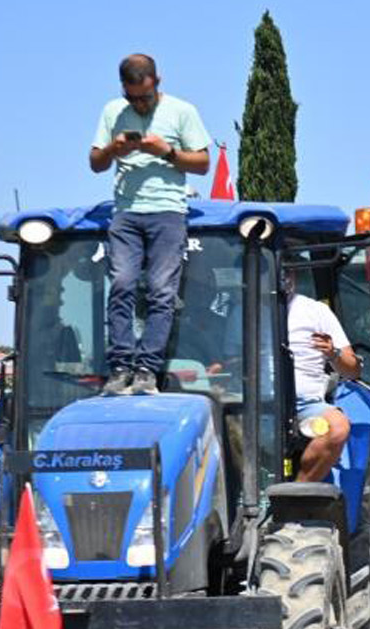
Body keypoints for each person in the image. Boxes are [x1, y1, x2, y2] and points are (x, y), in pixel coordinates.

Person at [90, 54, 212, 396]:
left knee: (161, 291)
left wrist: (167, 151)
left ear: (157, 82)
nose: (139, 105)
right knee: (122, 285)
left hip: (168, 212)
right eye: (132, 98)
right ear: (123, 92)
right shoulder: (112, 112)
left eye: (144, 97)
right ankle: (120, 367)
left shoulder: (183, 112)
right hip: (126, 212)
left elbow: (203, 163)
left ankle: (147, 369)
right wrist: (114, 148)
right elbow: (95, 163)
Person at [284, 272, 363, 482]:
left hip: (305, 405)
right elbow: (229, 360)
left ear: (293, 275)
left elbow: (353, 370)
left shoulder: (315, 310)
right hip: (252, 401)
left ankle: (298, 494)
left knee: (337, 427)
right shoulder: (242, 310)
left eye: (287, 270)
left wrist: (333, 352)